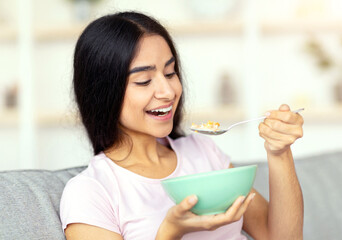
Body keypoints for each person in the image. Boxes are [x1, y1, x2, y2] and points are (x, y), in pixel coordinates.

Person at [60, 11, 304, 240]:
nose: (168, 91)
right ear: (103, 92)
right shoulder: (91, 191)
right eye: (144, 81)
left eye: (170, 73)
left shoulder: (202, 152)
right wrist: (170, 232)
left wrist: (279, 152)